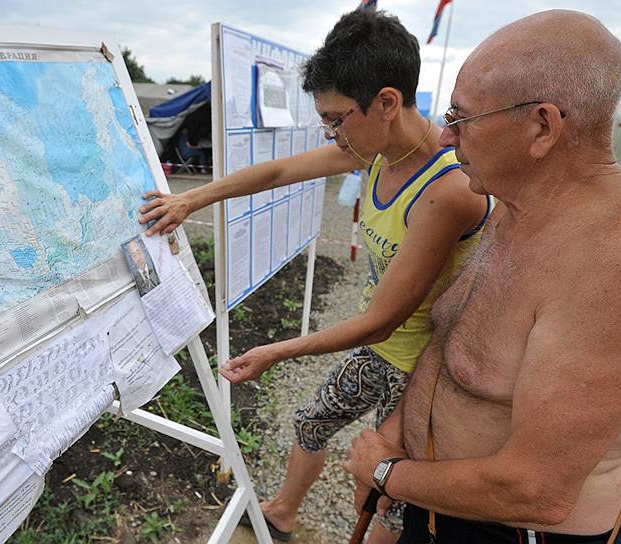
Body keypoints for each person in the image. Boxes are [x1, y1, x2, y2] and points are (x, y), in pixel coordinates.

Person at [138, 9, 491, 542]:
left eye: (335, 117)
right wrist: (191, 198)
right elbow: (280, 171)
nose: (330, 132)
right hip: (383, 350)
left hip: (426, 365)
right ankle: (282, 512)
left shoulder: (446, 189)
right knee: (312, 422)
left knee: (385, 492)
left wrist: (277, 351)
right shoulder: (372, 151)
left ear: (387, 103)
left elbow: (379, 322)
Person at [343, 10, 621, 544]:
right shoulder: (515, 200)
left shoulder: (620, 262)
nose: (443, 138)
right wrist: (394, 440)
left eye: (461, 119)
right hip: (437, 500)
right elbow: (450, 342)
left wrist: (388, 473)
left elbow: (538, 490)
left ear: (542, 128)